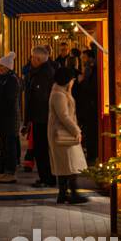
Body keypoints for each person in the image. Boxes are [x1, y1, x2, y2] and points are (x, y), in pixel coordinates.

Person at [48, 66, 89, 204]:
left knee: (66, 165)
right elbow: (64, 116)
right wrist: (76, 130)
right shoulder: (59, 95)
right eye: (72, 79)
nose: (73, 81)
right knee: (69, 165)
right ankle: (72, 193)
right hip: (62, 134)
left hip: (63, 133)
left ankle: (64, 194)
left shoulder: (61, 92)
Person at [25, 45, 57, 188]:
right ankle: (45, 177)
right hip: (39, 117)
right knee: (40, 149)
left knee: (42, 149)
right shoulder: (39, 72)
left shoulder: (44, 74)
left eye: (32, 57)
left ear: (37, 59)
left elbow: (42, 98)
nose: (31, 59)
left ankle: (47, 178)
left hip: (43, 118)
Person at [0, 52, 21, 182]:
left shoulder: (12, 80)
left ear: (7, 67)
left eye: (1, 67)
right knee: (5, 145)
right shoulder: (3, 79)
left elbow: (8, 99)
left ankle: (11, 172)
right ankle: (7, 171)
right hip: (4, 118)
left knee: (10, 146)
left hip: (9, 118)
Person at [73, 48, 101, 165]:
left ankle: (92, 156)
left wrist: (81, 81)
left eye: (84, 58)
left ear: (91, 59)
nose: (83, 61)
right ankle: (91, 155)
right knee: (89, 133)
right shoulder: (88, 71)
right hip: (87, 107)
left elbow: (91, 89)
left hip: (91, 107)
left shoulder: (92, 72)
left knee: (91, 133)